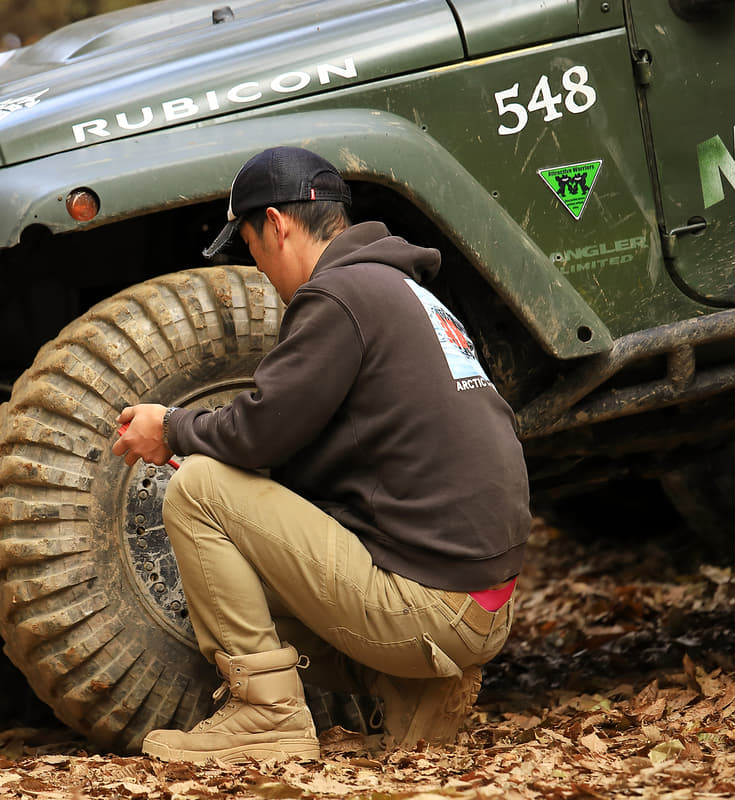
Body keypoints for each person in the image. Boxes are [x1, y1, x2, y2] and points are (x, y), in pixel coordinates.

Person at [112, 146, 531, 764]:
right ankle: (415, 684)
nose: (257, 268)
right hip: (481, 603)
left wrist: (172, 427)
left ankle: (267, 717)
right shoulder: (399, 289)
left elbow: (260, 432)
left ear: (277, 225)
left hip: (429, 608)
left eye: (250, 247)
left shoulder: (337, 296)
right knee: (236, 522)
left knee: (199, 490)